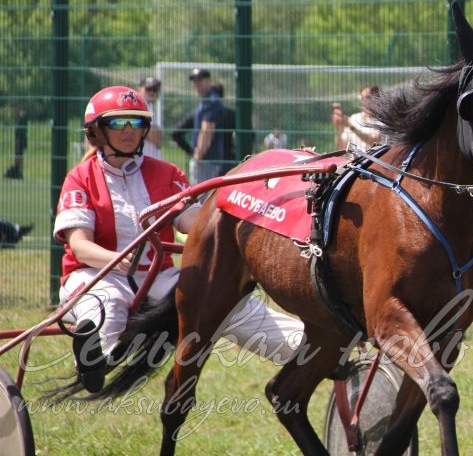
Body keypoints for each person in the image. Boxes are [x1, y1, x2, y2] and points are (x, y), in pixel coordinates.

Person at [55, 86, 303, 393]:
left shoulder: (166, 173)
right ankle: (94, 361)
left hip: (156, 276)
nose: (129, 130)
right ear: (96, 132)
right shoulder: (79, 177)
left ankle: (306, 348)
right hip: (94, 274)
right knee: (106, 303)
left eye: (136, 122)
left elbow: (191, 223)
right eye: (119, 123)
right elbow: (79, 245)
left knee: (215, 295)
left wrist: (229, 222)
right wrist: (118, 261)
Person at [188, 68, 227, 184]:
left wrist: (198, 156)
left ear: (209, 81)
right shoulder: (207, 100)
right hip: (208, 160)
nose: (196, 83)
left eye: (199, 80)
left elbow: (207, 130)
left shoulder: (211, 101)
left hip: (206, 160)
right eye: (194, 80)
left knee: (200, 198)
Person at [332, 85, 383, 151]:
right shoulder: (354, 118)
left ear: (377, 99)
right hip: (355, 161)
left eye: (367, 98)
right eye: (361, 98)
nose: (363, 101)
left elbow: (373, 141)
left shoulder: (383, 120)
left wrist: (351, 126)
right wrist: (339, 128)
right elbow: (341, 147)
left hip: (375, 160)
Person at [211, 82, 236, 175]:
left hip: (210, 162)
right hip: (229, 159)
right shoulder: (231, 114)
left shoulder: (203, 114)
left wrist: (192, 151)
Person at [138, 76, 164, 160]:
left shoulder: (150, 107)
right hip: (141, 160)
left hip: (150, 159)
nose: (151, 92)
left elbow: (157, 137)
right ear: (140, 88)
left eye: (155, 90)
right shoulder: (138, 106)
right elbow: (156, 137)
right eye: (148, 89)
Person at [4, 105, 27, 179]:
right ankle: (17, 171)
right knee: (18, 155)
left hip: (21, 140)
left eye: (14, 110)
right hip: (18, 139)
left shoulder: (22, 116)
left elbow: (21, 130)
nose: (14, 112)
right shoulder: (19, 117)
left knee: (19, 156)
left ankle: (19, 172)